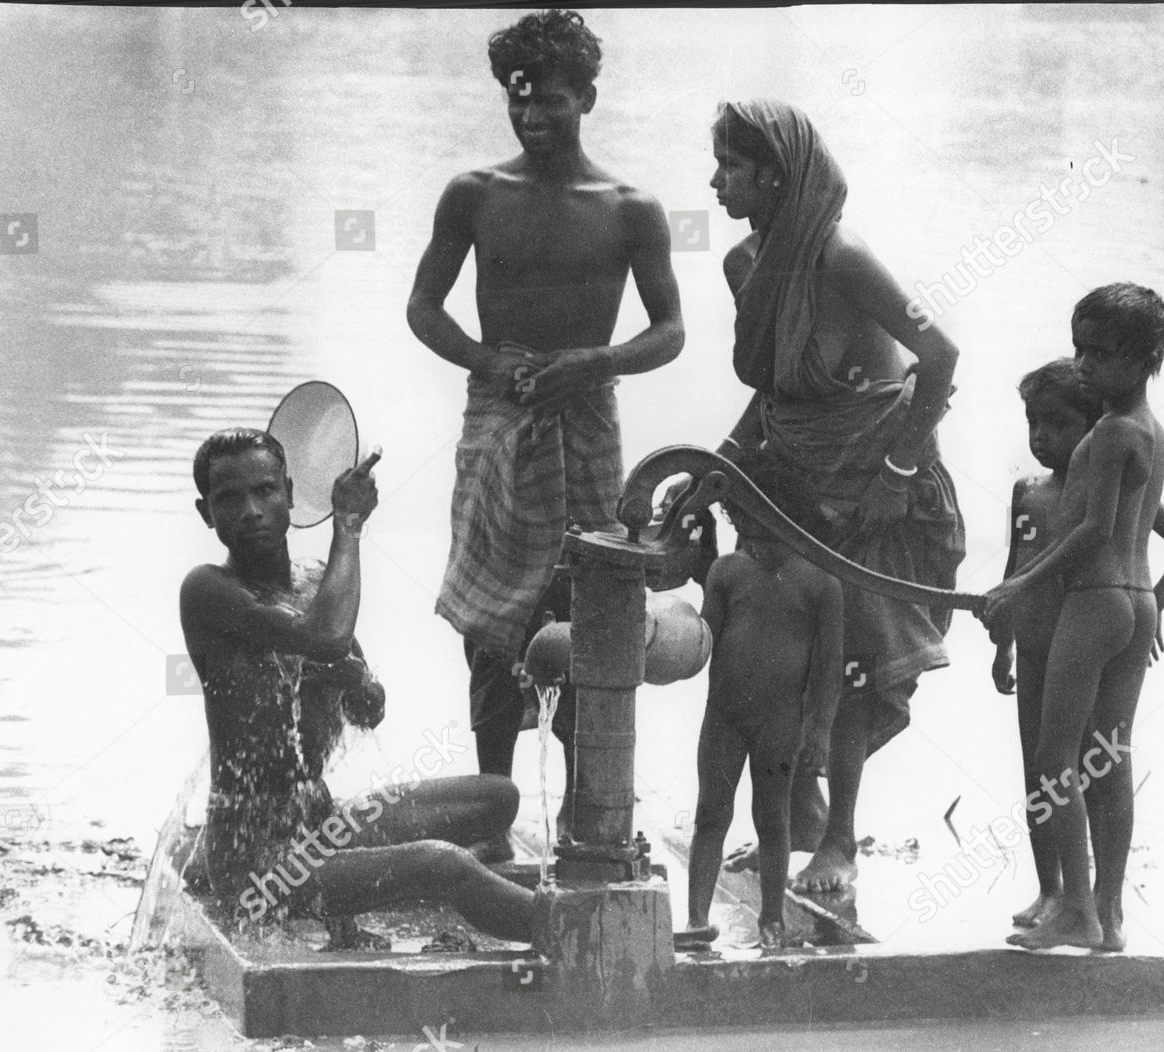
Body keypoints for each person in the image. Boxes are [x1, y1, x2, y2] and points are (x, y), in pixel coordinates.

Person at [406, 9, 684, 848]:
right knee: (493, 622)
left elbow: (669, 331)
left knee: (586, 611)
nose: (532, 116)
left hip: (588, 418)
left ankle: (586, 816)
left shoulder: (630, 207)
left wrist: (595, 362)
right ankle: (492, 818)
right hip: (499, 416)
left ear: (587, 98)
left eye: (551, 101)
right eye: (518, 99)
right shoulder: (475, 194)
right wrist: (490, 364)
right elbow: (424, 308)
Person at [707, 100, 966, 893]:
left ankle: (840, 844)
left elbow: (941, 353)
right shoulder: (745, 266)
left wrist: (897, 470)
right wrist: (715, 464)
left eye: (730, 167)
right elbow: (776, 392)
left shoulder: (843, 257)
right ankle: (799, 820)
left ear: (776, 174)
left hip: (879, 482)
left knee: (856, 665)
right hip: (794, 479)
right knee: (786, 651)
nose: (715, 182)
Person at [180, 429, 534, 947]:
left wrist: (353, 678)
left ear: (291, 495)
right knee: (442, 864)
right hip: (257, 861)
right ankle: (576, 931)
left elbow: (371, 711)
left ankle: (409, 881)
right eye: (229, 499)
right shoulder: (208, 590)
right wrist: (347, 526)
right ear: (206, 514)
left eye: (265, 491)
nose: (251, 510)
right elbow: (323, 638)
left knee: (496, 798)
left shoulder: (317, 583)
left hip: (318, 821)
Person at [984, 284, 1164, 952]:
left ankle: (1075, 909)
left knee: (1057, 760)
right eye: (1079, 347)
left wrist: (1020, 582)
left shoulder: (1109, 434)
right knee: (1109, 761)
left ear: (1146, 359)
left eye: (1102, 354)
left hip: (1094, 599)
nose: (1084, 364)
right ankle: (1108, 915)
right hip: (1134, 601)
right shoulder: (1151, 430)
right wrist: (1151, 604)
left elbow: (1091, 530)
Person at [681, 449, 844, 950]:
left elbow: (829, 668)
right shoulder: (727, 572)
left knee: (773, 821)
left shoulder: (822, 582)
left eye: (768, 528)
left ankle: (771, 918)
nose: (756, 540)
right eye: (746, 527)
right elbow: (701, 641)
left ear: (793, 521)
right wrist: (665, 636)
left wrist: (818, 731)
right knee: (711, 812)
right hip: (724, 717)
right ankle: (695, 920)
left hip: (781, 722)